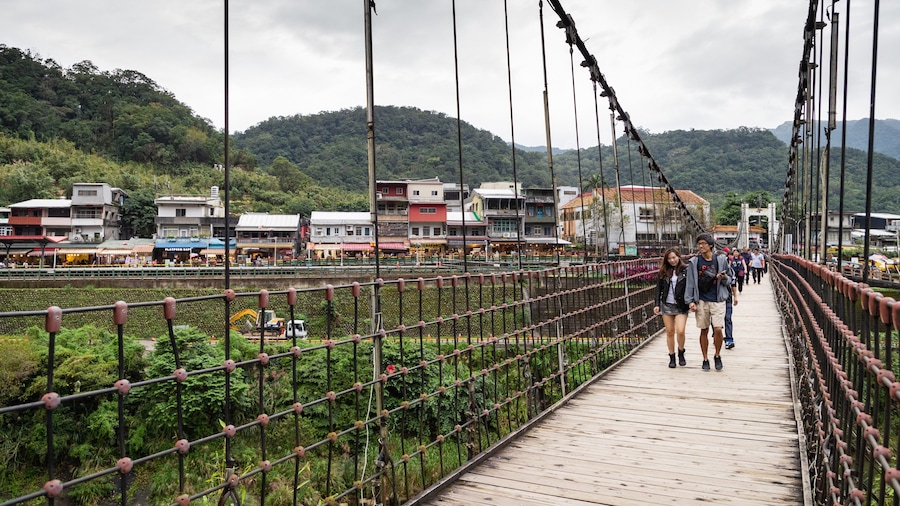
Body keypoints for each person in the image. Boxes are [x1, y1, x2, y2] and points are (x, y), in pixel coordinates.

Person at [684, 233, 732, 371]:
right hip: (701, 300)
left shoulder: (721, 260)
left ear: (710, 245)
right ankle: (705, 359)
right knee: (704, 330)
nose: (700, 246)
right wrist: (690, 301)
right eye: (699, 243)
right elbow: (690, 282)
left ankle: (717, 355)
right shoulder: (694, 262)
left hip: (718, 299)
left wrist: (723, 278)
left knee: (718, 329)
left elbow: (730, 278)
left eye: (703, 243)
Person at [653, 248, 690, 368]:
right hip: (667, 304)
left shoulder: (686, 270)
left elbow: (691, 287)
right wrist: (657, 304)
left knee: (680, 330)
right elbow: (658, 288)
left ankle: (681, 351)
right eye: (669, 258)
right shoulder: (663, 271)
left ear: (678, 257)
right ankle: (672, 356)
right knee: (669, 331)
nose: (672, 260)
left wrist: (691, 301)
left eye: (674, 257)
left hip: (681, 305)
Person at [723, 255, 740, 349]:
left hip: (727, 297)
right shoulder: (712, 268)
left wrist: (735, 296)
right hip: (714, 299)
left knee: (728, 318)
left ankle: (729, 339)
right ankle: (716, 335)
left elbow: (733, 283)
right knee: (715, 321)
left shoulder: (730, 270)